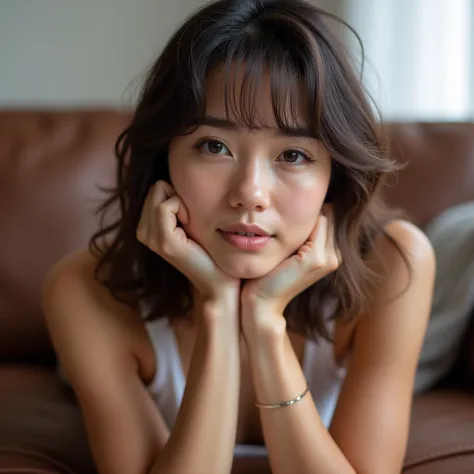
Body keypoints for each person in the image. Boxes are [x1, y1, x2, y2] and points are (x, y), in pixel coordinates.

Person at [41, 1, 436, 473]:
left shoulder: (395, 264)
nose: (250, 193)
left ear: (334, 173)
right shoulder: (83, 289)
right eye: (214, 146)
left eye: (292, 154)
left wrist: (265, 324)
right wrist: (217, 306)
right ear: (164, 159)